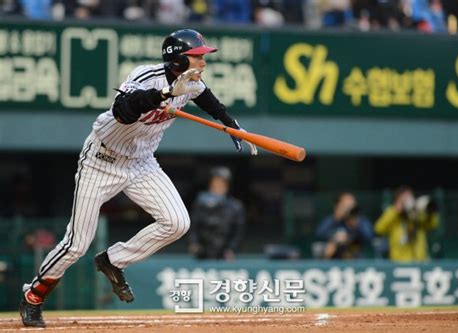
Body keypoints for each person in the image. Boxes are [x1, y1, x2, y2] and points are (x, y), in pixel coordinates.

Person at [19, 28, 257, 327]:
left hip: (142, 163)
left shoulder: (193, 84)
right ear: (179, 61)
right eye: (197, 57)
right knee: (77, 244)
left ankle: (112, 260)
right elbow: (122, 111)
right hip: (102, 160)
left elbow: (209, 101)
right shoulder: (148, 76)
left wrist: (232, 126)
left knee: (177, 223)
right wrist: (167, 94)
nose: (203, 62)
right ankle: (34, 297)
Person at [188, 166, 245, 260]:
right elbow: (194, 225)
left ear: (227, 186)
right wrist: (194, 243)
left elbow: (238, 232)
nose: (217, 187)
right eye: (215, 183)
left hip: (224, 253)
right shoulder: (200, 202)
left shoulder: (235, 206)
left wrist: (232, 249)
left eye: (221, 184)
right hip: (202, 252)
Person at [374, 186, 439, 262]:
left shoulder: (417, 217)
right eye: (404, 199)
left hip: (420, 263)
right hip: (399, 264)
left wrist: (428, 212)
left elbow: (433, 225)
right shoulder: (393, 216)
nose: (408, 201)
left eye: (410, 198)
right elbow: (378, 228)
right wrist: (395, 211)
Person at [315, 192, 373, 259]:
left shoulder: (360, 220)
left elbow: (369, 236)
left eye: (352, 205)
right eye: (345, 205)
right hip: (333, 260)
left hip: (355, 258)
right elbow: (319, 233)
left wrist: (355, 225)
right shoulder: (332, 220)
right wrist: (336, 220)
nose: (348, 209)